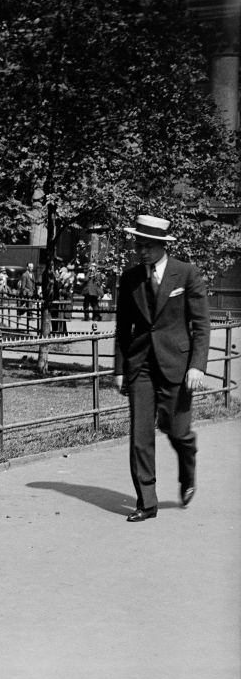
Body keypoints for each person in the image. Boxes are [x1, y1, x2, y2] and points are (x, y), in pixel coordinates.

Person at [113, 214, 210, 522]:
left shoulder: (186, 274)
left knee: (176, 431)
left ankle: (187, 461)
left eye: (146, 245)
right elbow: (122, 328)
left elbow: (202, 325)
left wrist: (197, 366)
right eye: (137, 245)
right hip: (140, 366)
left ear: (161, 246)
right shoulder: (130, 278)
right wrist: (119, 369)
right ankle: (147, 501)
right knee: (140, 435)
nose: (140, 251)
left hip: (178, 366)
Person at [16, 263, 36, 330]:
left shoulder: (32, 274)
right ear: (27, 267)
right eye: (30, 267)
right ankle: (20, 314)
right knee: (24, 304)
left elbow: (33, 283)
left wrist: (33, 290)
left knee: (29, 304)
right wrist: (27, 291)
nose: (32, 268)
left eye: (32, 267)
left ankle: (29, 316)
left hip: (31, 292)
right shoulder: (24, 275)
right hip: (26, 293)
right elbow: (23, 286)